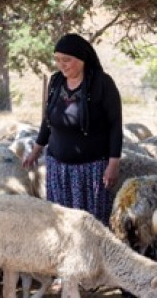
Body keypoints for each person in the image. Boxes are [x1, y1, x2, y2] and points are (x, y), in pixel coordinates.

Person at [23, 33, 122, 226]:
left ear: (82, 58)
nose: (62, 65)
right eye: (58, 60)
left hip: (92, 170)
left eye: (67, 60)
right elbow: (48, 119)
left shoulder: (102, 83)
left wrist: (113, 164)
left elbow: (115, 125)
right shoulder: (56, 81)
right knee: (62, 223)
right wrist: (36, 150)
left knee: (92, 225)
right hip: (58, 168)